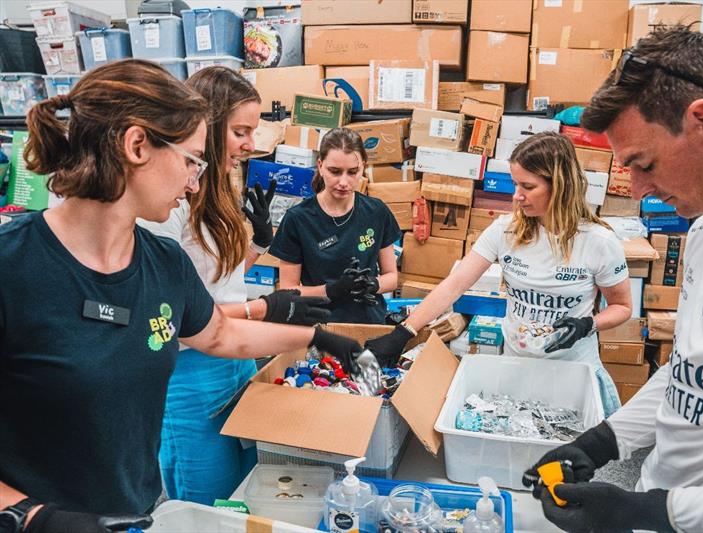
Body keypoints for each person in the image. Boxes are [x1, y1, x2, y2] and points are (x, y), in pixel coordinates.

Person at [0, 59, 362, 533]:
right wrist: (31, 517)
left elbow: (220, 334)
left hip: (138, 513)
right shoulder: (14, 267)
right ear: (136, 146)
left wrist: (317, 338)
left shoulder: (163, 262)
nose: (195, 181)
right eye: (191, 160)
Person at [525, 26, 703, 533]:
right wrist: (602, 442)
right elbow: (690, 371)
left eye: (644, 164)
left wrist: (654, 512)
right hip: (664, 501)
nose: (640, 190)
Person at [137, 67, 331, 505]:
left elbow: (217, 281)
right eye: (240, 131)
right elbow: (178, 318)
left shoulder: (215, 188)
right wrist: (265, 309)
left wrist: (258, 241)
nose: (250, 144)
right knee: (207, 506)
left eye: (254, 131)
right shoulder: (167, 206)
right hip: (190, 378)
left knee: (246, 497)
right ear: (203, 126)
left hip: (237, 365)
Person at [365, 131, 632, 417]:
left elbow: (622, 307)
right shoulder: (506, 231)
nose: (517, 196)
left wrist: (586, 325)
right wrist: (404, 332)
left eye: (528, 186)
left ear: (559, 186)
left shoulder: (598, 242)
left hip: (573, 368)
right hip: (517, 364)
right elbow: (454, 286)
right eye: (515, 184)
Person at [269, 128, 402, 325]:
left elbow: (392, 277)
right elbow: (288, 292)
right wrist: (331, 290)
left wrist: (372, 284)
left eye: (352, 172)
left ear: (363, 168)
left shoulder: (377, 212)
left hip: (370, 324)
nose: (343, 182)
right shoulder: (298, 219)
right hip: (320, 326)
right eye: (335, 171)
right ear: (320, 166)